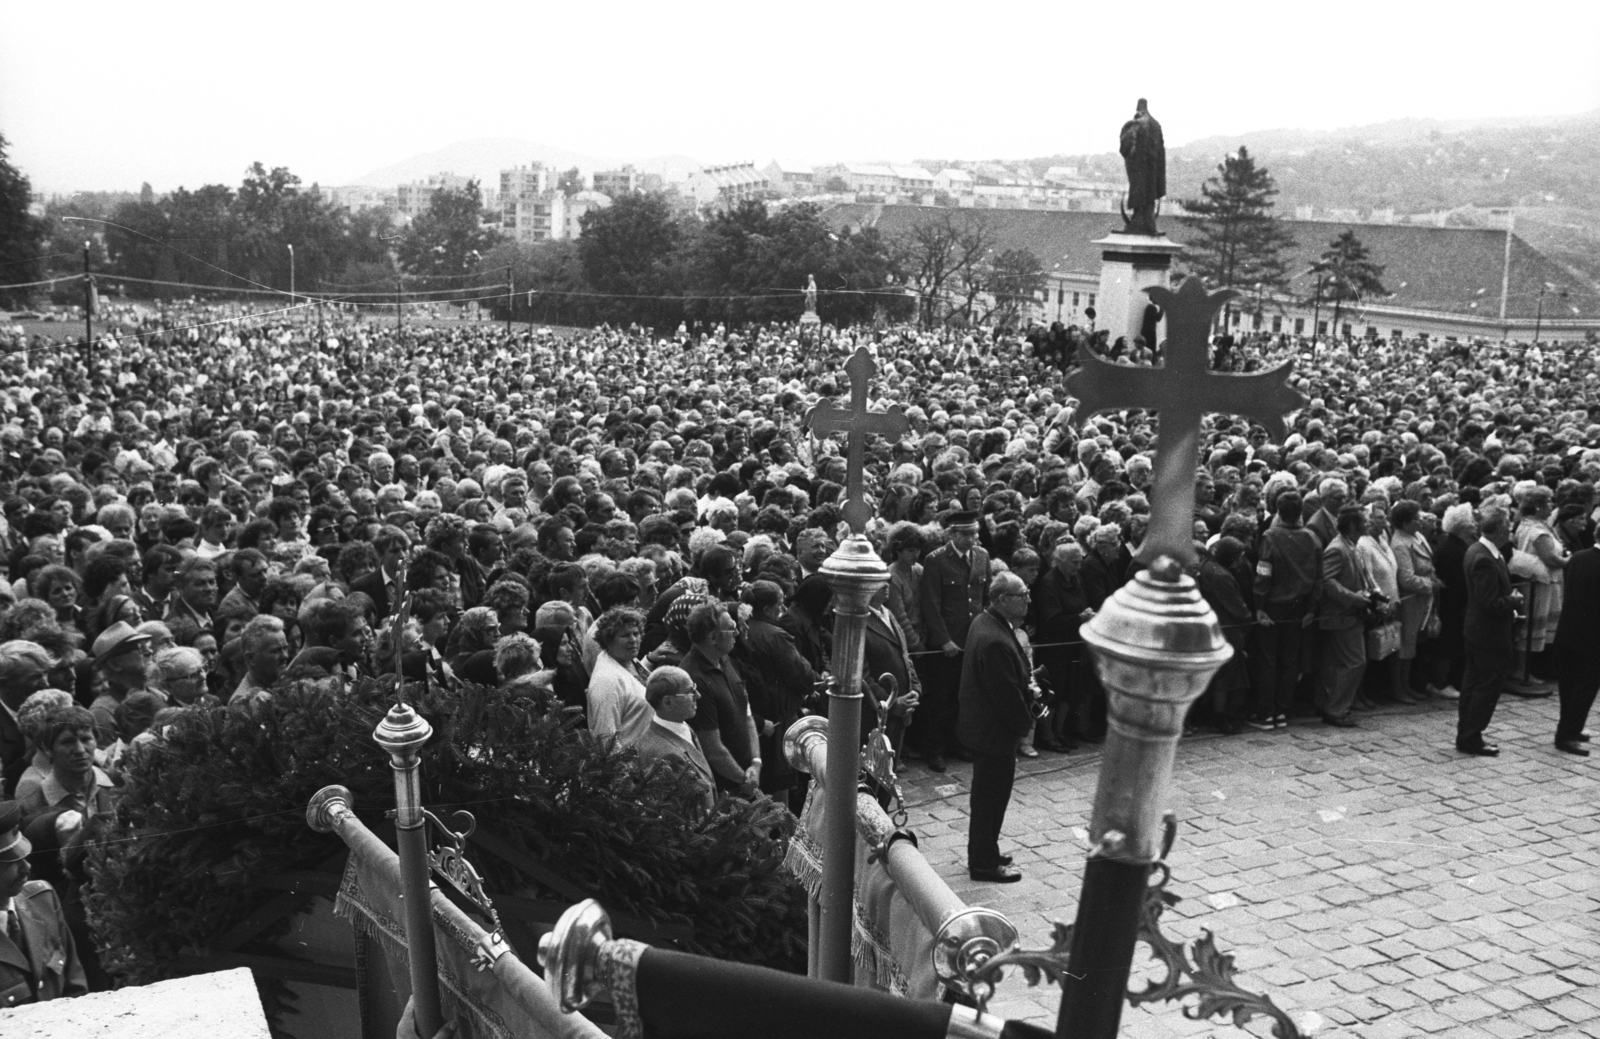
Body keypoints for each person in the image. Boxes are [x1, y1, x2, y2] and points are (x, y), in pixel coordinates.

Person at [957, 572, 1035, 883]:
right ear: (1003, 600)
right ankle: (983, 863)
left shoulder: (985, 622)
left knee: (987, 797)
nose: (1028, 599)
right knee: (991, 798)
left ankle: (986, 849)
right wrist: (1025, 724)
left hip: (984, 729)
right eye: (1022, 594)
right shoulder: (995, 640)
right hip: (993, 733)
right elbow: (1006, 695)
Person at [915, 511, 989, 772]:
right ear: (953, 534)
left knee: (964, 696)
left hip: (971, 640)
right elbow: (931, 605)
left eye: (975, 533)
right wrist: (944, 639)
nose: (972, 539)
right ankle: (934, 749)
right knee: (940, 697)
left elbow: (984, 599)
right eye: (966, 534)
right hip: (947, 644)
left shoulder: (982, 556)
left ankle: (958, 742)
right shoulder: (936, 561)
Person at [0, 799, 88, 1006]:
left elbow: (76, 989)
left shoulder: (42, 900)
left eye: (23, 856)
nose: (27, 867)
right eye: (11, 863)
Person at [1250, 490, 1319, 730]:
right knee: (1290, 661)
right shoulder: (1312, 538)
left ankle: (1265, 713)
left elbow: (1263, 575)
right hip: (1300, 607)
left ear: (1278, 512)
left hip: (1273, 606)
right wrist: (1311, 608)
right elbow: (1317, 578)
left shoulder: (1270, 536)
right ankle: (1282, 710)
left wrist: (1259, 607)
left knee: (1268, 661)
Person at [1458, 507, 1521, 757]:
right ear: (1498, 529)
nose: (1511, 530)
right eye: (1507, 526)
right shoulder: (1484, 557)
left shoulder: (1480, 550)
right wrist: (1513, 601)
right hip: (1489, 634)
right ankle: (1471, 736)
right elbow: (1489, 602)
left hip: (1478, 631)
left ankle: (1468, 733)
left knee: (1473, 684)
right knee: (1486, 686)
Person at [681, 602, 759, 797]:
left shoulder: (725, 659)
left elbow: (747, 715)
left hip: (746, 780)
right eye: (732, 629)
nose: (738, 634)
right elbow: (713, 750)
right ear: (713, 637)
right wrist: (744, 779)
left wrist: (756, 763)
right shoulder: (694, 678)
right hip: (725, 791)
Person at [1317, 506, 1378, 728]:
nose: (1368, 524)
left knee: (1337, 663)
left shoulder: (1352, 546)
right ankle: (1336, 710)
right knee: (1355, 662)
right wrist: (1353, 598)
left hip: (1350, 615)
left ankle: (1330, 706)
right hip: (1341, 616)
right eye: (1365, 521)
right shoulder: (1338, 549)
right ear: (1352, 525)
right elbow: (1327, 581)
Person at [627, 666, 715, 815]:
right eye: (690, 692)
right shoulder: (666, 755)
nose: (698, 695)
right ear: (667, 702)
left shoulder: (681, 726)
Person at [1552, 542, 1600, 756]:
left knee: (1568, 683)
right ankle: (1568, 733)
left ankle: (1568, 727)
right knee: (1587, 685)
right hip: (1592, 634)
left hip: (1569, 629)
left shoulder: (1578, 557)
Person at [586, 606, 651, 742]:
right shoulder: (606, 681)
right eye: (625, 635)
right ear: (608, 640)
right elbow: (605, 737)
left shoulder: (629, 659)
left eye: (636, 633)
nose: (633, 639)